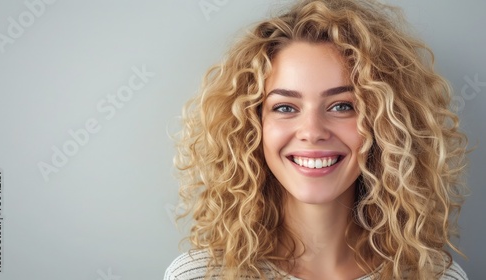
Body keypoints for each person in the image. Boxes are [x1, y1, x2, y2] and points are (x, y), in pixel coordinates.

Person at [165, 0, 469, 279]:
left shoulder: (436, 275)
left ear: (386, 125)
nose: (312, 131)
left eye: (342, 106)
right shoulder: (198, 275)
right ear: (251, 126)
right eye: (285, 107)